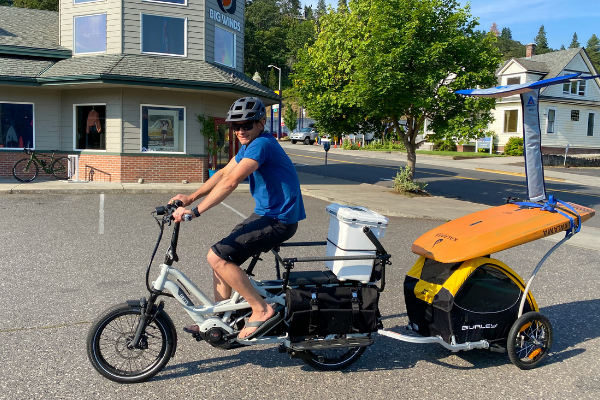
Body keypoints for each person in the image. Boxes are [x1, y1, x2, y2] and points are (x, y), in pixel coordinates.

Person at [170, 97, 306, 339]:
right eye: (236, 126)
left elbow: (232, 182)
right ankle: (222, 317)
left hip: (280, 220)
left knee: (217, 256)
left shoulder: (262, 144)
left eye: (247, 125)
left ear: (261, 123)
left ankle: (261, 309)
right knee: (220, 256)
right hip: (266, 214)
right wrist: (190, 198)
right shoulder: (248, 145)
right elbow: (224, 172)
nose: (241, 130)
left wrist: (196, 211)